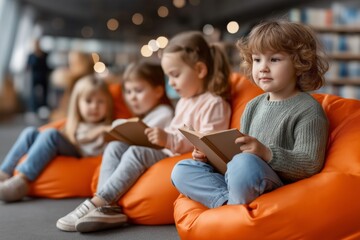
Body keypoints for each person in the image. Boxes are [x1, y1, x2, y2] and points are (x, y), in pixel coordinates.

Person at [56, 31, 232, 233]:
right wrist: (161, 137)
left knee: (135, 152)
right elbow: (175, 133)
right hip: (167, 152)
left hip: (181, 161)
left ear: (200, 70)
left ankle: (98, 202)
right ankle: (107, 207)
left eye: (175, 75)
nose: (171, 84)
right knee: (115, 146)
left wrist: (167, 139)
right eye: (168, 77)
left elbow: (208, 145)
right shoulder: (185, 101)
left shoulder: (214, 103)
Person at [171, 20, 330, 209]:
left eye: (274, 59)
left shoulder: (308, 109)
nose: (263, 67)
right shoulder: (253, 106)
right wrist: (211, 157)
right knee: (182, 170)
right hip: (242, 178)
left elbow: (310, 164)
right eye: (257, 59)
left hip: (276, 186)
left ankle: (231, 210)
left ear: (299, 63)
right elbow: (237, 157)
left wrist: (266, 153)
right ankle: (229, 205)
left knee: (245, 164)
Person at [0, 75, 114, 202]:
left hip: (79, 153)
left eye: (100, 102)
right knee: (30, 132)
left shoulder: (106, 128)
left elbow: (96, 151)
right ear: (77, 104)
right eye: (88, 101)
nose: (94, 107)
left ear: (108, 104)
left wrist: (97, 132)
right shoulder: (74, 123)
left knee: (51, 135)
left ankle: (22, 180)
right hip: (68, 145)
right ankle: (4, 173)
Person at [26, 39, 51, 118]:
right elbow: (28, 66)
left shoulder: (45, 54)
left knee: (45, 93)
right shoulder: (31, 55)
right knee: (33, 94)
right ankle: (34, 110)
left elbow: (48, 65)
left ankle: (43, 109)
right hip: (35, 76)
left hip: (43, 76)